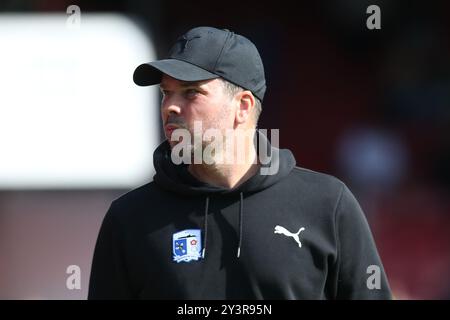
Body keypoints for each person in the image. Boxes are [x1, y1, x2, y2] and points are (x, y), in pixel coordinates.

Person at [88, 26, 391, 299]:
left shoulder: (327, 204)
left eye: (191, 93)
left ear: (243, 106)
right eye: (166, 93)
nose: (170, 107)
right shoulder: (129, 219)